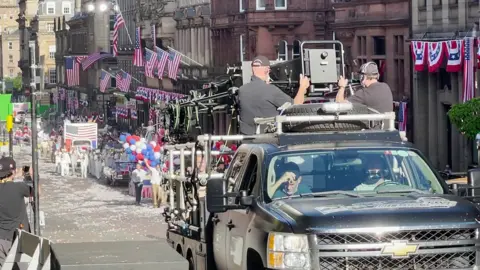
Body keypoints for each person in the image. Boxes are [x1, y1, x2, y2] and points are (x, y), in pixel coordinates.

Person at [237, 55, 310, 135]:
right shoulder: (271, 90)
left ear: (252, 69)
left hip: (248, 141)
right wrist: (302, 87)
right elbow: (295, 106)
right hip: (269, 140)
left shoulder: (241, 90)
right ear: (267, 70)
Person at [0, 157, 32, 266]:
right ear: (13, 172)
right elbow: (36, 191)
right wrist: (27, 174)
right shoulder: (18, 188)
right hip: (18, 239)